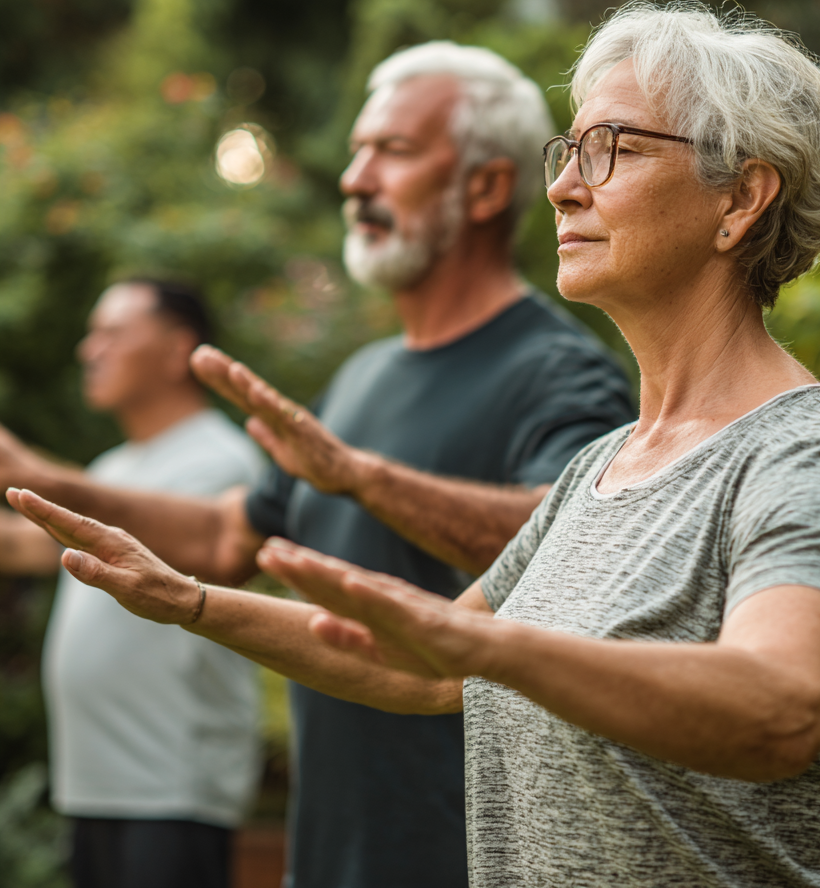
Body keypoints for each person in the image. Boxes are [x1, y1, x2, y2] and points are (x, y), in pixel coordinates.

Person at [10, 1, 820, 887]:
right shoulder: (603, 467)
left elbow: (782, 710)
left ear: (742, 197)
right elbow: (425, 666)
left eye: (616, 148)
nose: (562, 185)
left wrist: (489, 648)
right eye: (570, 148)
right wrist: (190, 600)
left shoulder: (798, 458)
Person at [0, 43, 637, 888]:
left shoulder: (560, 370)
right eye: (356, 151)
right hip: (333, 853)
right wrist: (44, 478)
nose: (355, 178)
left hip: (472, 857)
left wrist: (363, 479)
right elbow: (232, 535)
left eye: (393, 152)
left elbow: (574, 553)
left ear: (486, 188)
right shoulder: (360, 377)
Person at [0, 279, 264, 888]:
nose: (89, 350)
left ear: (177, 351)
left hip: (170, 783)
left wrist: (22, 465)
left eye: (112, 334)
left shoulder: (220, 461)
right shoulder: (110, 468)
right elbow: (27, 545)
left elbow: (205, 548)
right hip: (93, 781)